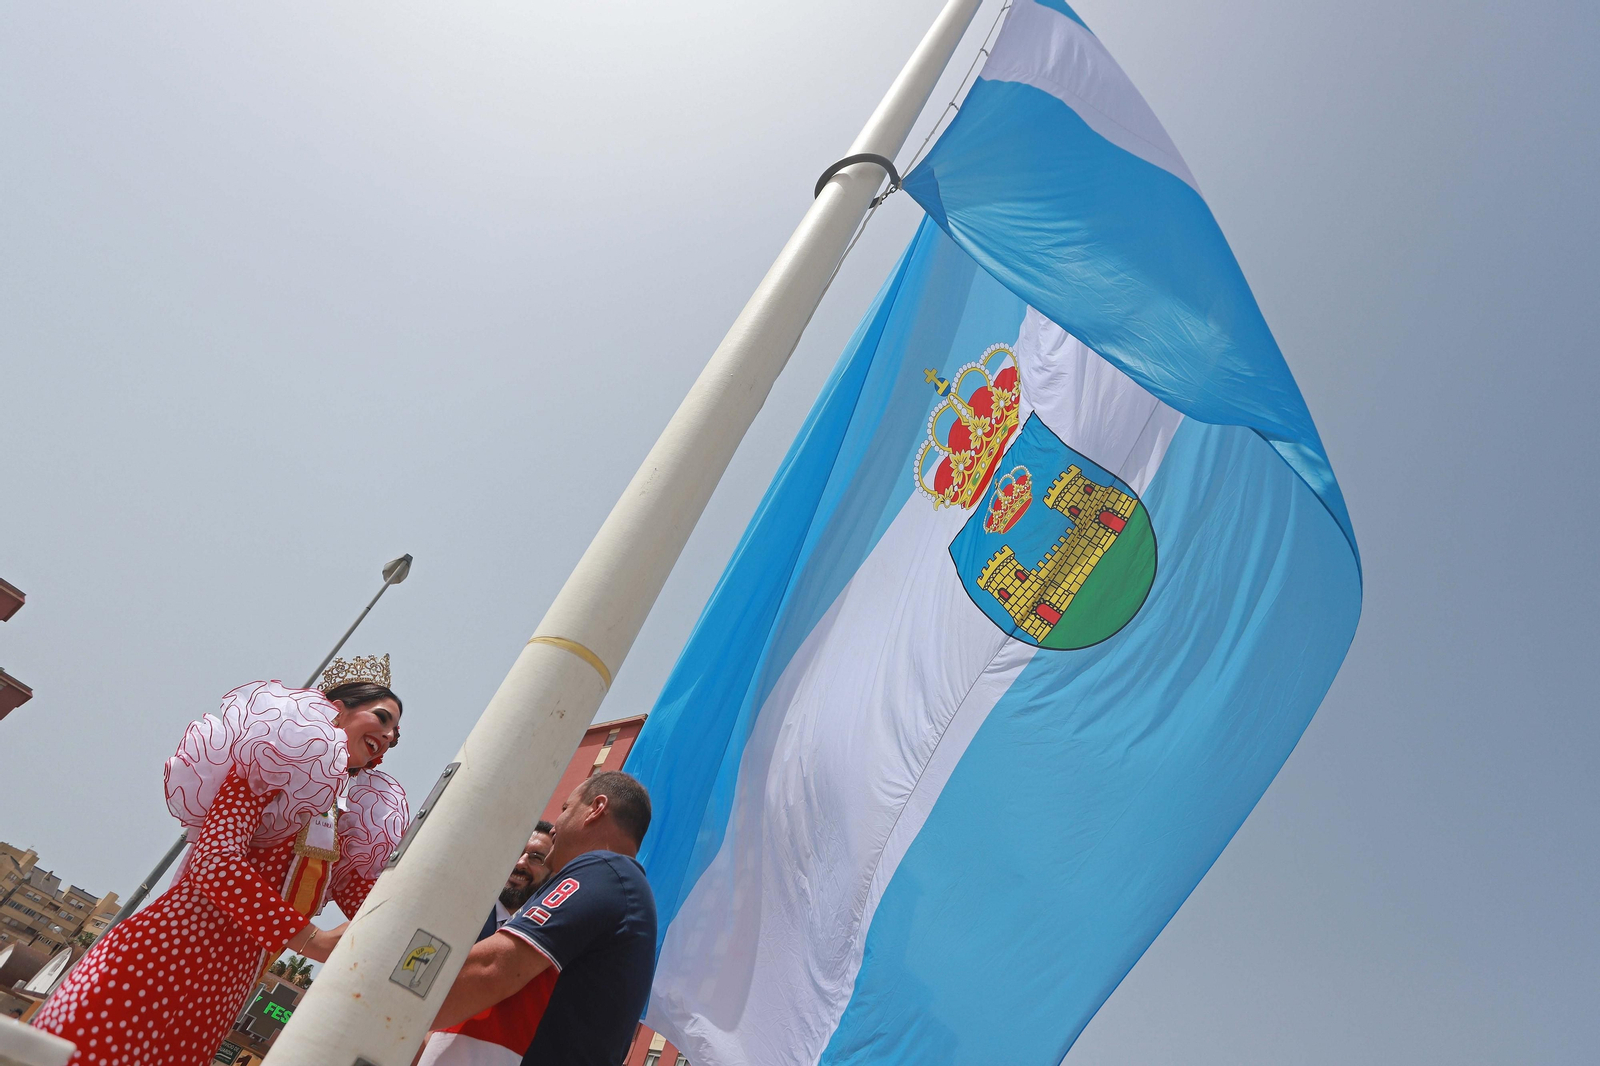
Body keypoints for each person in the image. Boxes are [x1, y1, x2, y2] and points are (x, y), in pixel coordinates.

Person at [34, 658, 411, 1066]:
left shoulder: (346, 818)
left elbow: (367, 900)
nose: (388, 737)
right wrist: (311, 941)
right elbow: (215, 862)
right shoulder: (271, 761)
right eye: (382, 718)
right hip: (162, 959)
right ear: (336, 709)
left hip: (223, 991)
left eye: (395, 736)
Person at [418, 772, 656, 1066]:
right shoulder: (615, 883)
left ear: (596, 808)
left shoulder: (605, 869)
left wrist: (383, 1003)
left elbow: (492, 968)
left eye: (565, 809)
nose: (555, 826)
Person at [476, 822, 555, 942]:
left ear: (552, 873)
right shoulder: (466, 907)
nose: (520, 863)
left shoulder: (545, 932)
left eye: (536, 857)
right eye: (517, 851)